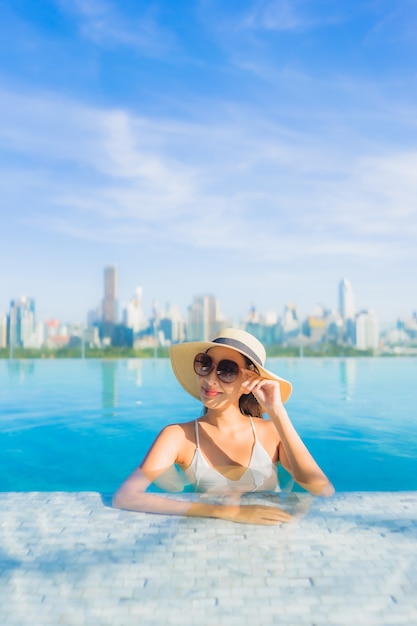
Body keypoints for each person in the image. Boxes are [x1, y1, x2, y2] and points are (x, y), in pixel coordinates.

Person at [112, 328, 334, 525]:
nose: (209, 379)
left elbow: (322, 489)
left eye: (227, 370)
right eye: (205, 365)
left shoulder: (271, 433)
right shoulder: (178, 437)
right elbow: (126, 496)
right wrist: (226, 512)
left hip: (268, 540)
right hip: (208, 539)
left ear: (249, 382)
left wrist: (277, 411)